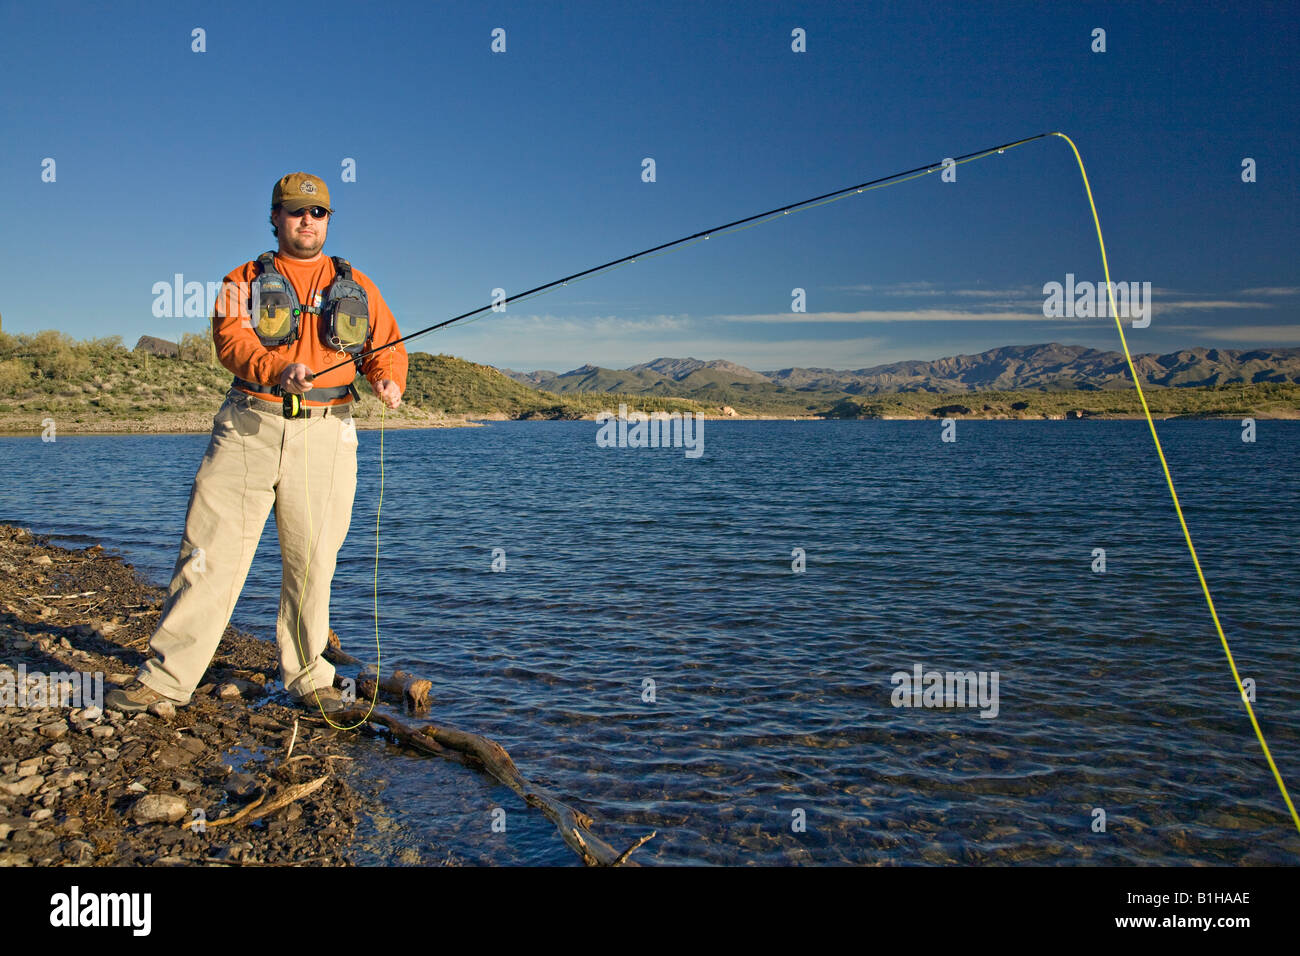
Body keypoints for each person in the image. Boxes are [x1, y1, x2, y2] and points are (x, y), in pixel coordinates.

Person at [106, 172, 407, 715]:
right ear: (275, 217)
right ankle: (166, 678)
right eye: (295, 212)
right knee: (209, 551)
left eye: (318, 214)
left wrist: (387, 378)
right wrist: (277, 368)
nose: (307, 221)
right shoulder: (242, 278)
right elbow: (232, 341)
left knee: (313, 562)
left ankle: (310, 677)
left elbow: (385, 345)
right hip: (250, 423)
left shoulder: (357, 284)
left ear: (328, 221)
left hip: (328, 430)